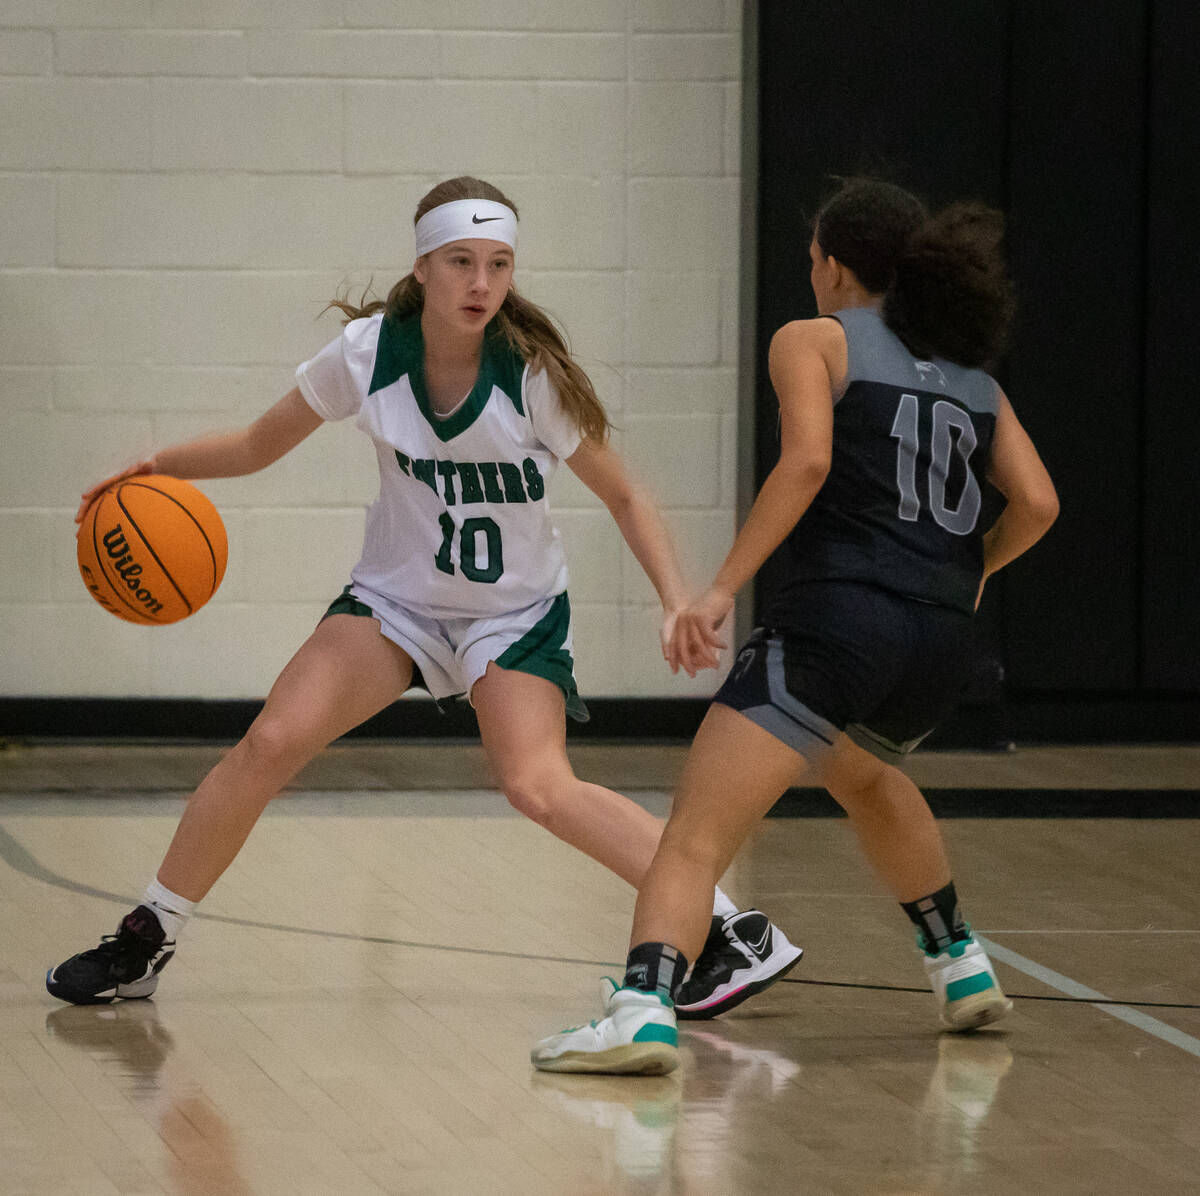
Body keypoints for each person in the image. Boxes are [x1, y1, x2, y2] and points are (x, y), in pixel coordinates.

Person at [47, 177, 802, 1012]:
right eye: (461, 262)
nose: (481, 283)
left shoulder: (531, 377)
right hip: (395, 605)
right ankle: (147, 938)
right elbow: (261, 444)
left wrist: (674, 597)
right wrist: (152, 470)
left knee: (538, 787)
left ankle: (733, 928)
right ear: (423, 268)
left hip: (511, 616)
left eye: (498, 265)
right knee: (269, 743)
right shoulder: (369, 356)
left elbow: (626, 494)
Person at [532, 178, 1060, 1075]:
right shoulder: (973, 373)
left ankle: (641, 1009)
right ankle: (959, 961)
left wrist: (717, 590)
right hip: (938, 640)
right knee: (867, 776)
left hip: (838, 621)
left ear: (836, 267)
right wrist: (962, 579)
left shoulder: (812, 339)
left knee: (696, 831)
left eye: (811, 259)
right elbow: (1040, 503)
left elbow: (808, 460)